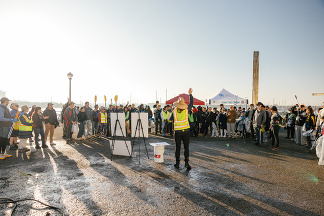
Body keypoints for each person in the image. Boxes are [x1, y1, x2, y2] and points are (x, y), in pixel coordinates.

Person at [170, 88, 193, 171]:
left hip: (177, 132)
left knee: (178, 148)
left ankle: (177, 164)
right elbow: (191, 103)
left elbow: (169, 119)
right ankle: (186, 164)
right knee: (186, 148)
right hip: (186, 131)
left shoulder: (174, 111)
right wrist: (190, 94)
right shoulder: (187, 110)